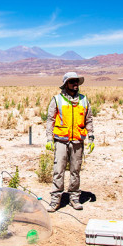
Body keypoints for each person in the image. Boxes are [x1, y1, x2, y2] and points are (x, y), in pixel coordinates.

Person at [45, 72, 94, 212]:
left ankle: (74, 197)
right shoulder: (57, 99)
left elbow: (89, 119)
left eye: (77, 81)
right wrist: (49, 139)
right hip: (61, 141)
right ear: (66, 84)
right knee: (58, 170)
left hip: (77, 141)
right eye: (72, 82)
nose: (75, 84)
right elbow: (50, 120)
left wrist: (91, 137)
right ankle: (55, 199)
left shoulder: (84, 100)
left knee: (75, 171)